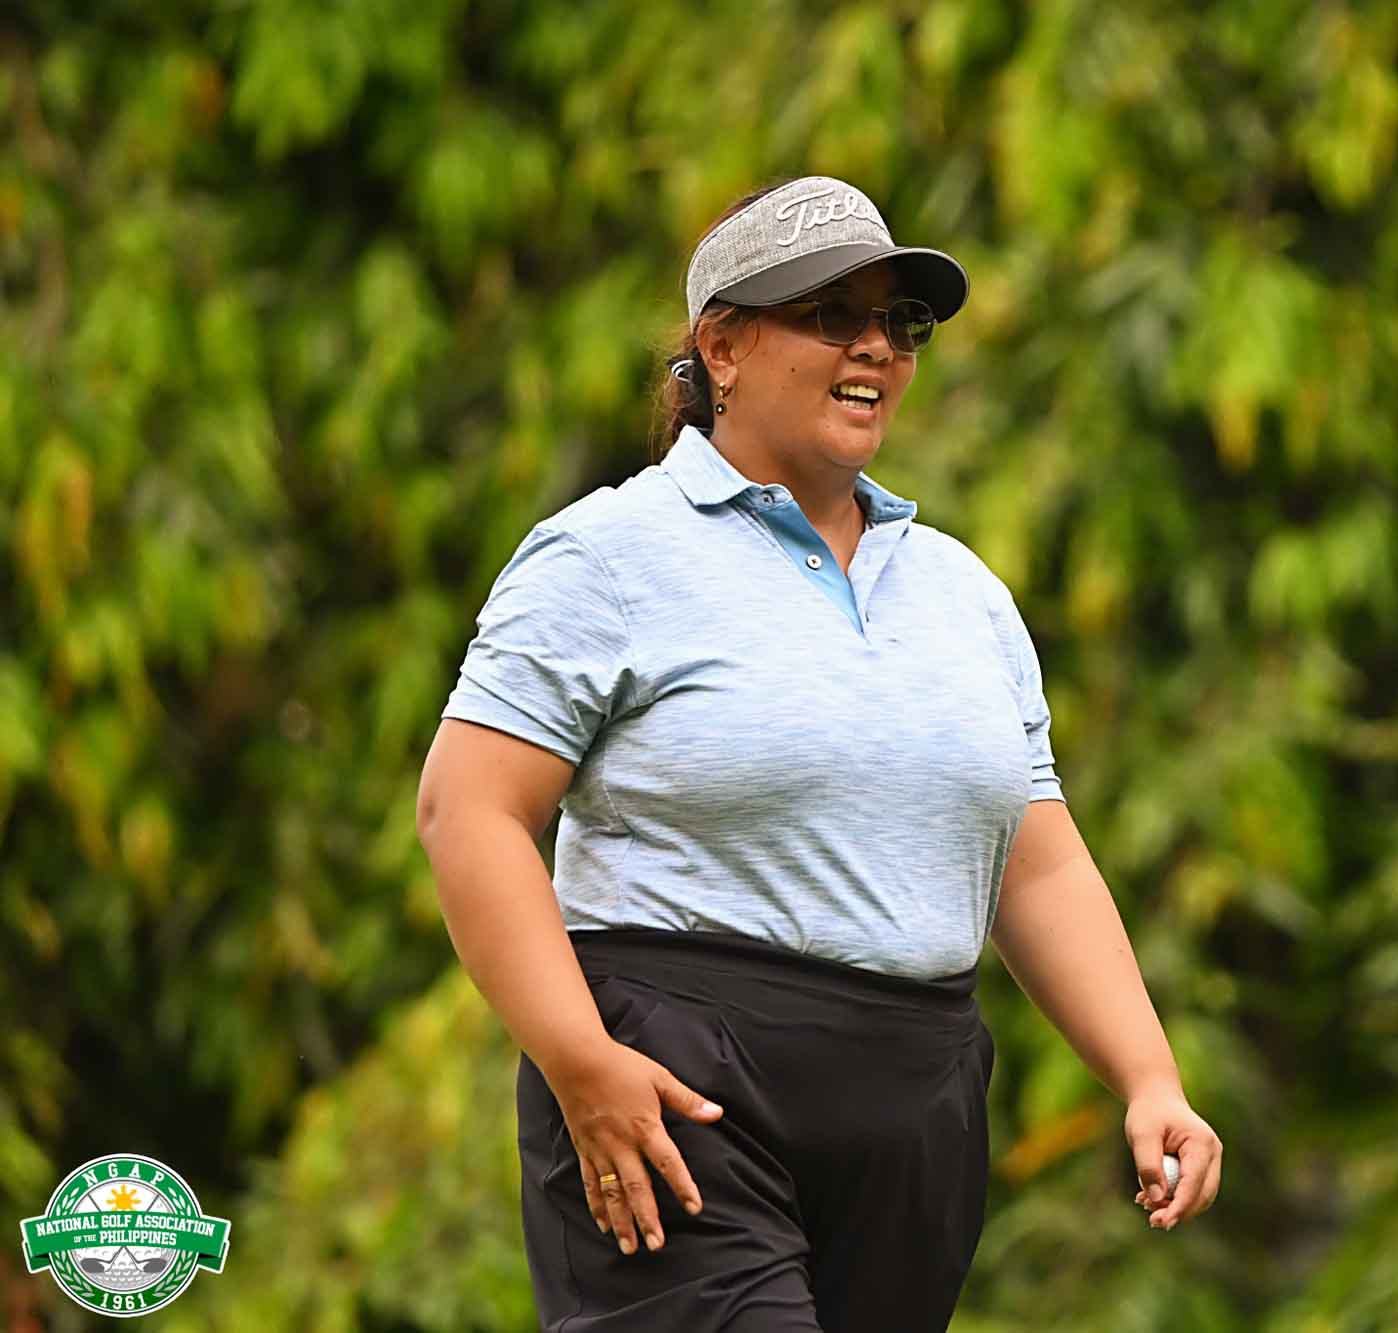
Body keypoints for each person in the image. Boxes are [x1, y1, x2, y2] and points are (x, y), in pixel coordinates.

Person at [415, 175, 1221, 1332]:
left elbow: (1035, 863)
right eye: (828, 314)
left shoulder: (962, 593)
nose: (873, 346)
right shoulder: (606, 556)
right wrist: (578, 1062)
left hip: (916, 1104)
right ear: (722, 348)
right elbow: (468, 812)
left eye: (897, 322)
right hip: (679, 1088)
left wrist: (1148, 1077)